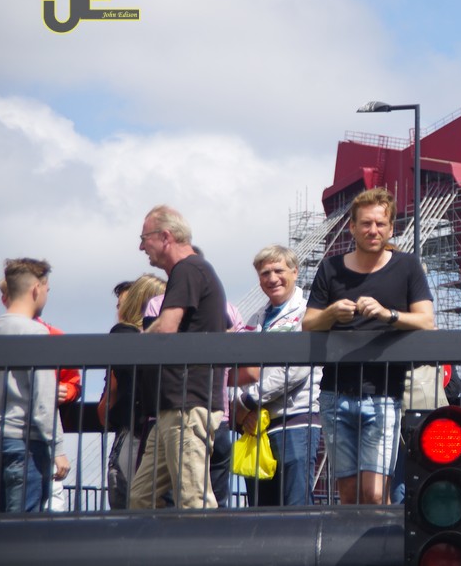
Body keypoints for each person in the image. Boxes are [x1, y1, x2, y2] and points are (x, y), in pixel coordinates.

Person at [302, 187, 434, 505]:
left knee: (375, 493)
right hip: (335, 393)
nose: (373, 230)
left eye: (380, 224)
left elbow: (426, 321)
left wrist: (388, 315)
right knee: (348, 494)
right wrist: (332, 313)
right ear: (352, 227)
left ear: (390, 229)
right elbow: (309, 323)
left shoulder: (407, 266)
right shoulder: (331, 268)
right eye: (365, 223)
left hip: (384, 393)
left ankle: (380, 539)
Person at [129, 205, 228, 510]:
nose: (141, 247)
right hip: (174, 405)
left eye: (144, 238)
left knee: (193, 498)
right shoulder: (195, 270)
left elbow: (167, 327)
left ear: (165, 236)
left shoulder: (187, 269)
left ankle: (204, 542)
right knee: (141, 497)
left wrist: (137, 344)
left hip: (187, 403)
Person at [235, 245, 322, 506]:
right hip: (256, 428)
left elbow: (296, 369)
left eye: (278, 271)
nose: (272, 278)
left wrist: (248, 401)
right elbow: (238, 369)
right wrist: (243, 411)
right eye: (265, 273)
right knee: (260, 513)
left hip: (296, 421)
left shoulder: (307, 313)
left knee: (296, 509)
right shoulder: (254, 318)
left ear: (295, 272)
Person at [0, 258, 70, 512]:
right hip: (25, 445)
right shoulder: (36, 333)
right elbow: (43, 400)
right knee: (23, 526)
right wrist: (58, 449)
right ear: (36, 289)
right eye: (47, 289)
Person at [98, 275, 166, 509]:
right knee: (132, 502)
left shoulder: (132, 337)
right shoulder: (125, 335)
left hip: (144, 431)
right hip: (136, 434)